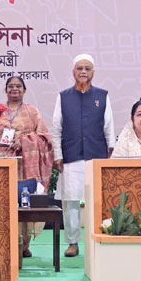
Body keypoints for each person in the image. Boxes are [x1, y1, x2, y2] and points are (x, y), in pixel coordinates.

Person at [0, 76, 54, 257]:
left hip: (24, 165)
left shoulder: (32, 111)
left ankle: (24, 244)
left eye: (18, 86)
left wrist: (23, 141)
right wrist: (8, 143)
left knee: (24, 202)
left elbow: (44, 136)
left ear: (24, 90)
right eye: (11, 86)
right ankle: (1, 242)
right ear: (6, 90)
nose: (15, 89)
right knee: (1, 202)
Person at [51, 54, 114, 257]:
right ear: (73, 72)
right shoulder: (63, 96)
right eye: (79, 68)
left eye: (87, 68)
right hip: (72, 155)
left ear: (93, 72)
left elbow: (109, 127)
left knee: (98, 200)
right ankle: (73, 243)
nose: (83, 72)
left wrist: (110, 152)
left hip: (97, 156)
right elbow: (56, 128)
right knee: (70, 201)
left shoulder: (102, 96)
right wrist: (58, 155)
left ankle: (100, 238)